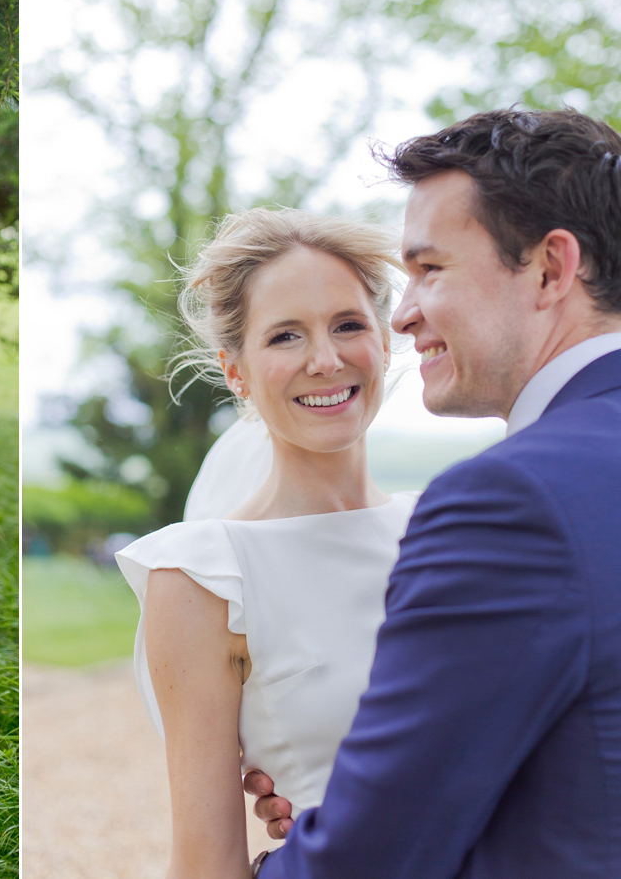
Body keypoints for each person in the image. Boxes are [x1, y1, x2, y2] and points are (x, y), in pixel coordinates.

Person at [249, 109, 621, 878]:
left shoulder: (512, 502)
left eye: (430, 270)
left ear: (552, 268)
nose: (405, 313)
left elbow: (372, 859)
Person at [114, 208, 417, 878]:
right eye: (285, 336)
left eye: (348, 325)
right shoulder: (203, 578)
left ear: (386, 343)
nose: (325, 359)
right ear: (236, 369)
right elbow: (205, 862)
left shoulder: (446, 529)